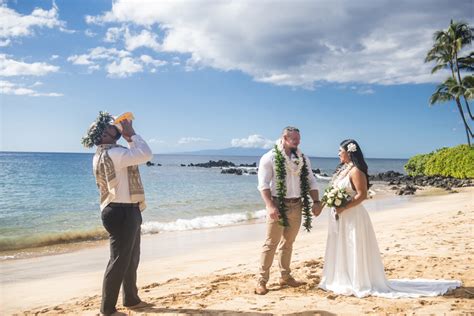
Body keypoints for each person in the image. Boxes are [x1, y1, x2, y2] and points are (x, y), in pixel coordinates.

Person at [319, 139, 461, 298]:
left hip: (353, 216)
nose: (338, 153)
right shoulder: (344, 169)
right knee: (344, 246)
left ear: (349, 152)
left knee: (354, 247)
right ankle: (344, 277)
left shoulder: (356, 171)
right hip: (342, 217)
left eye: (340, 150)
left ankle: (357, 280)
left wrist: (344, 206)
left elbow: (362, 195)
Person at [81, 111, 153, 315]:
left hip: (123, 210)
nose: (114, 128)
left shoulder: (105, 154)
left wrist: (129, 137)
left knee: (130, 257)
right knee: (120, 260)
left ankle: (131, 299)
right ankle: (107, 309)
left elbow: (137, 155)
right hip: (121, 212)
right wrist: (132, 134)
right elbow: (146, 154)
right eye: (110, 127)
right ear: (103, 136)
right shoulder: (114, 154)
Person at [255, 126, 323, 295]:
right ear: (284, 138)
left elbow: (311, 181)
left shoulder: (303, 159)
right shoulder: (269, 157)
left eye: (299, 139)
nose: (298, 142)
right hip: (278, 204)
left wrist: (316, 201)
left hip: (297, 204)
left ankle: (285, 276)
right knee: (271, 243)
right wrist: (270, 206)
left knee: (288, 243)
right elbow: (263, 185)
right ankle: (262, 280)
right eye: (294, 139)